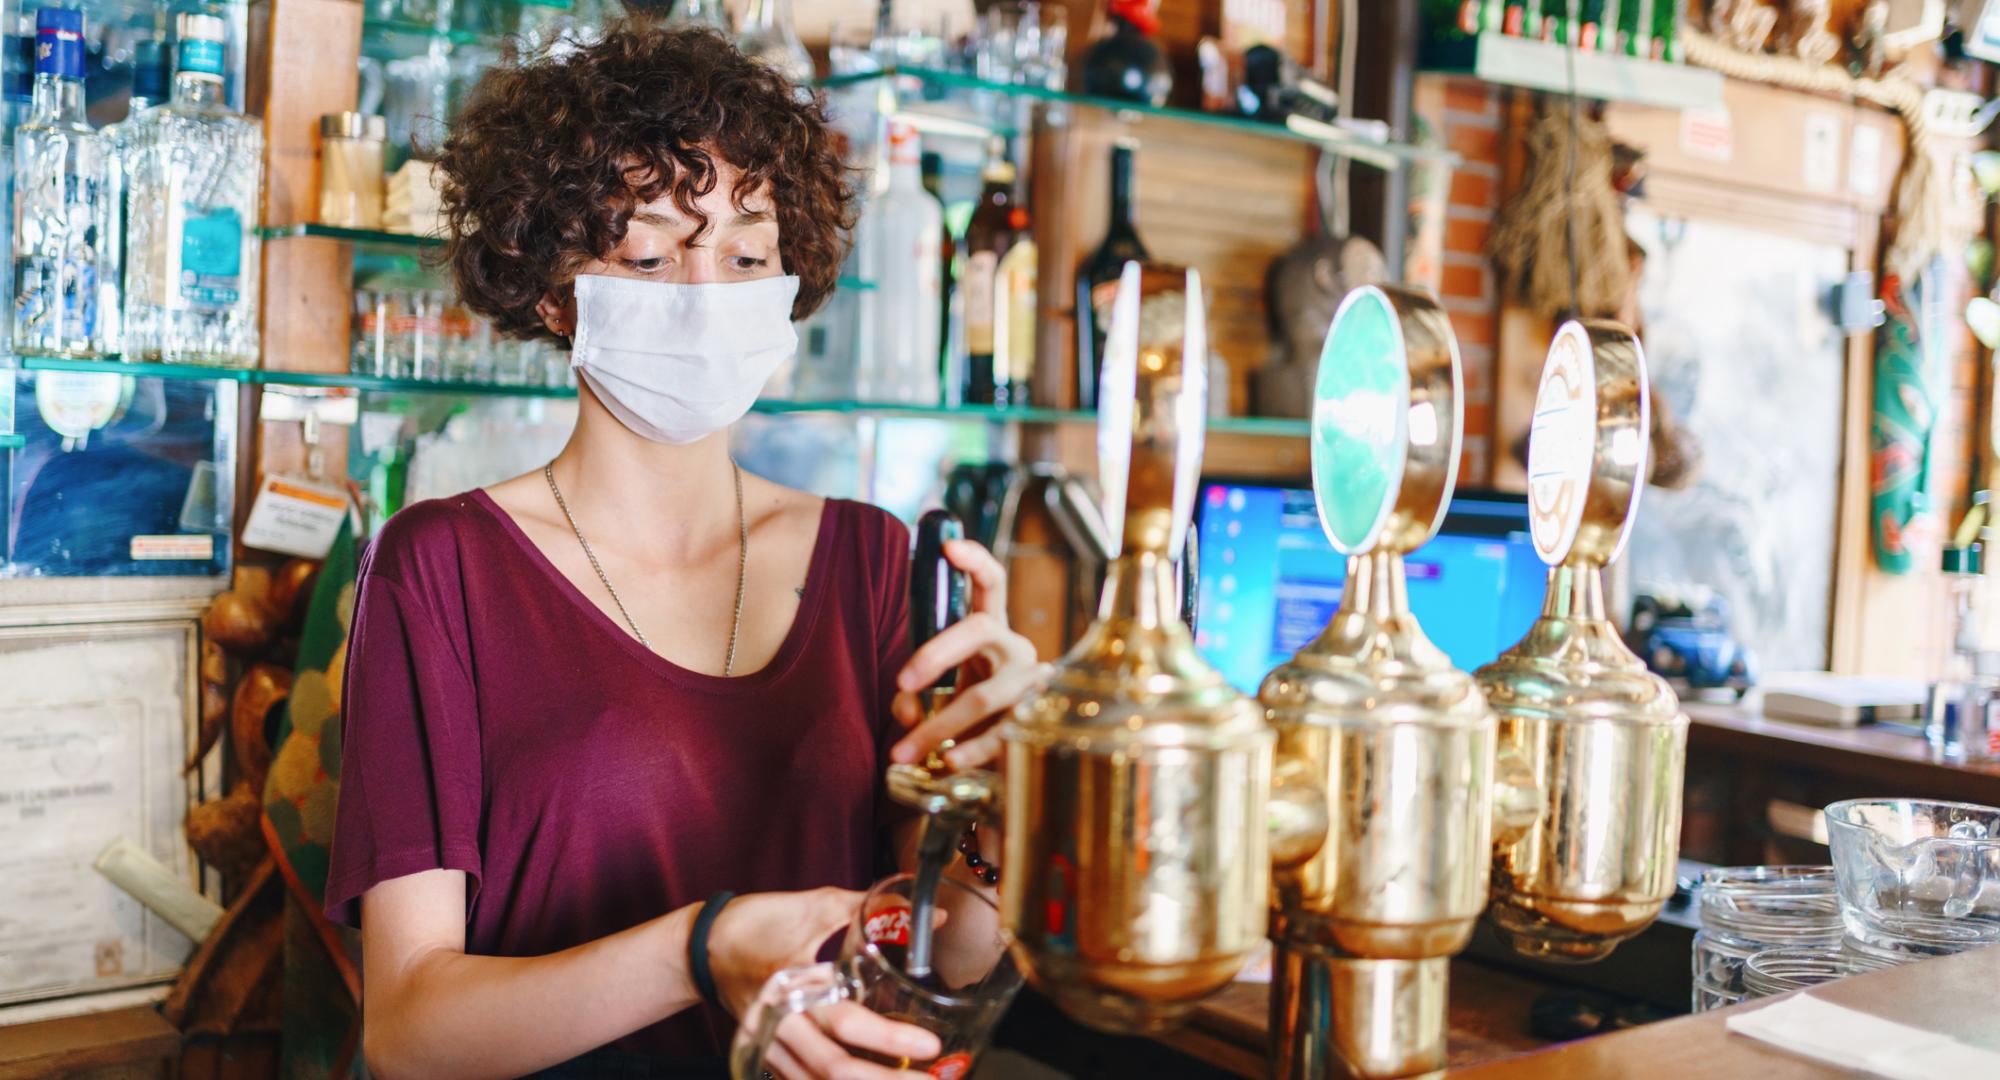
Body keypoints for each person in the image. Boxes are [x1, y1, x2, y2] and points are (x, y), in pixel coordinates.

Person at [324, 21, 1041, 1080]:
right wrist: (702, 951)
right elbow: (409, 1033)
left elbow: (944, 952)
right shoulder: (443, 569)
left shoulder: (872, 562)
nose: (709, 296)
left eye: (747, 254)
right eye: (652, 253)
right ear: (558, 290)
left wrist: (1002, 799)